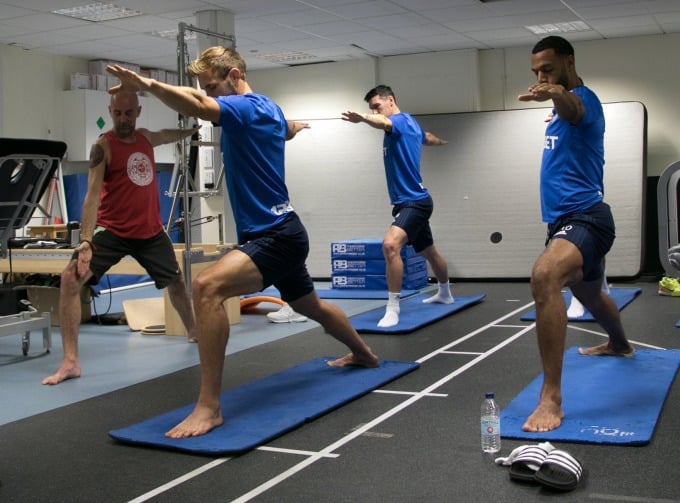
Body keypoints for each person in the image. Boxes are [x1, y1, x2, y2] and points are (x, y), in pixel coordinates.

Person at [107, 46, 379, 438]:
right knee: (310, 305)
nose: (211, 95)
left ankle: (209, 407)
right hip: (284, 229)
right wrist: (293, 129)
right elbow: (282, 128)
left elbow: (199, 106)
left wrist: (145, 84)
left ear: (235, 76)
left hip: (275, 236)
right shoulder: (268, 108)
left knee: (207, 287)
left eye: (214, 86)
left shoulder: (245, 107)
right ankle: (365, 355)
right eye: (206, 88)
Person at [518, 35, 634, 432]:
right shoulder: (557, 110)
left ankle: (551, 397)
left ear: (568, 62)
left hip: (587, 218)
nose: (541, 76)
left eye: (547, 69)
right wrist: (551, 94)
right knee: (591, 295)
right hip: (566, 223)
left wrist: (555, 93)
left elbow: (573, 107)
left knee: (545, 275)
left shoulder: (585, 100)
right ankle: (619, 343)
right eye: (536, 71)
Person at [42, 92, 199, 385]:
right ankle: (71, 362)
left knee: (176, 281)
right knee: (69, 279)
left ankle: (193, 331)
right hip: (112, 231)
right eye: (117, 113)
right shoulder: (103, 146)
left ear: (138, 111)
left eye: (128, 113)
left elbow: (165, 135)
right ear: (110, 111)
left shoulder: (145, 138)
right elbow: (90, 195)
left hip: (150, 231)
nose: (123, 120)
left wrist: (190, 131)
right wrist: (86, 240)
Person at [341, 86, 453, 328]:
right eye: (370, 108)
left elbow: (382, 122)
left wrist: (363, 119)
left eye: (376, 106)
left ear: (390, 100)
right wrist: (442, 141)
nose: (373, 110)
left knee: (391, 246)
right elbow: (428, 137)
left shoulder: (398, 121)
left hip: (414, 202)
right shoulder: (411, 124)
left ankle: (392, 308)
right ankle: (445, 293)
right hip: (417, 199)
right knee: (429, 252)